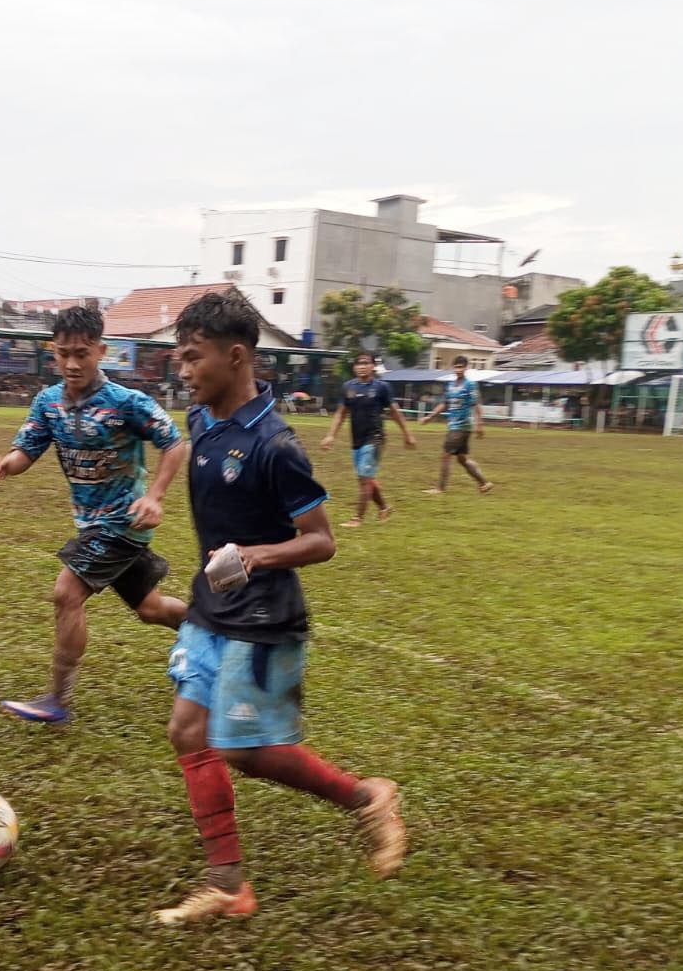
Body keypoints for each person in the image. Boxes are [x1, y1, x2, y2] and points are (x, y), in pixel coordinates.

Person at [155, 290, 405, 924]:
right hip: (214, 606)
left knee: (242, 750)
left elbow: (321, 540)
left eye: (192, 358)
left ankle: (367, 797)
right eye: (178, 358)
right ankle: (229, 884)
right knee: (187, 730)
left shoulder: (275, 444)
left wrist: (255, 557)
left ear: (236, 356)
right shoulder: (203, 422)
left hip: (265, 616)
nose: (182, 371)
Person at [0, 305, 189, 725]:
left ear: (101, 350)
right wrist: (8, 462)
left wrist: (155, 496)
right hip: (92, 524)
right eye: (63, 354)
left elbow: (174, 443)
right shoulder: (48, 403)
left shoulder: (126, 402)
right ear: (53, 352)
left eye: (82, 353)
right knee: (149, 609)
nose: (72, 363)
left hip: (123, 524)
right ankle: (211, 632)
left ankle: (58, 700)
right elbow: (28, 451)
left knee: (67, 592)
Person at [319, 351, 417, 527]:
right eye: (358, 364)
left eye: (366, 363)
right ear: (354, 367)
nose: (362, 366)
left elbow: (395, 412)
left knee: (365, 477)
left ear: (373, 366)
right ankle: (384, 507)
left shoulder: (382, 387)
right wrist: (330, 435)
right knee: (366, 478)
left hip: (375, 438)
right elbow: (341, 414)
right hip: (356, 439)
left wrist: (407, 434)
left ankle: (357, 519)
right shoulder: (348, 387)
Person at [420, 355, 493, 495]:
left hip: (461, 426)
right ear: (453, 368)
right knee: (462, 459)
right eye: (456, 367)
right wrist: (430, 417)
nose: (458, 370)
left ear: (466, 368)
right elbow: (445, 404)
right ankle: (484, 483)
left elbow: (476, 404)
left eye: (461, 367)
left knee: (445, 455)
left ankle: (440, 488)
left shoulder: (470, 385)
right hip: (455, 426)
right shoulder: (451, 385)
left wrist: (480, 424)